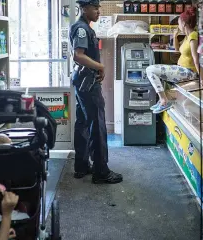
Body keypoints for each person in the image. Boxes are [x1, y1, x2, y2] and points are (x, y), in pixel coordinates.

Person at [69, 0, 122, 184]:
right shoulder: (82, 28)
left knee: (83, 122)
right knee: (97, 125)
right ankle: (101, 171)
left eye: (98, 7)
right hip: (88, 82)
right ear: (84, 9)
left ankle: (82, 166)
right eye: (95, 7)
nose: (99, 11)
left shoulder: (83, 27)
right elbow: (78, 55)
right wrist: (100, 66)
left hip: (82, 80)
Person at [146, 6, 203, 114]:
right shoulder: (187, 36)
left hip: (188, 72)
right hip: (182, 69)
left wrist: (202, 78)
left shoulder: (193, 37)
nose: (178, 25)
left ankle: (164, 100)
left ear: (183, 24)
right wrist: (174, 36)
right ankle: (164, 100)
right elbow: (177, 50)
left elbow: (196, 59)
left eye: (179, 23)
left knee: (150, 70)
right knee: (153, 71)